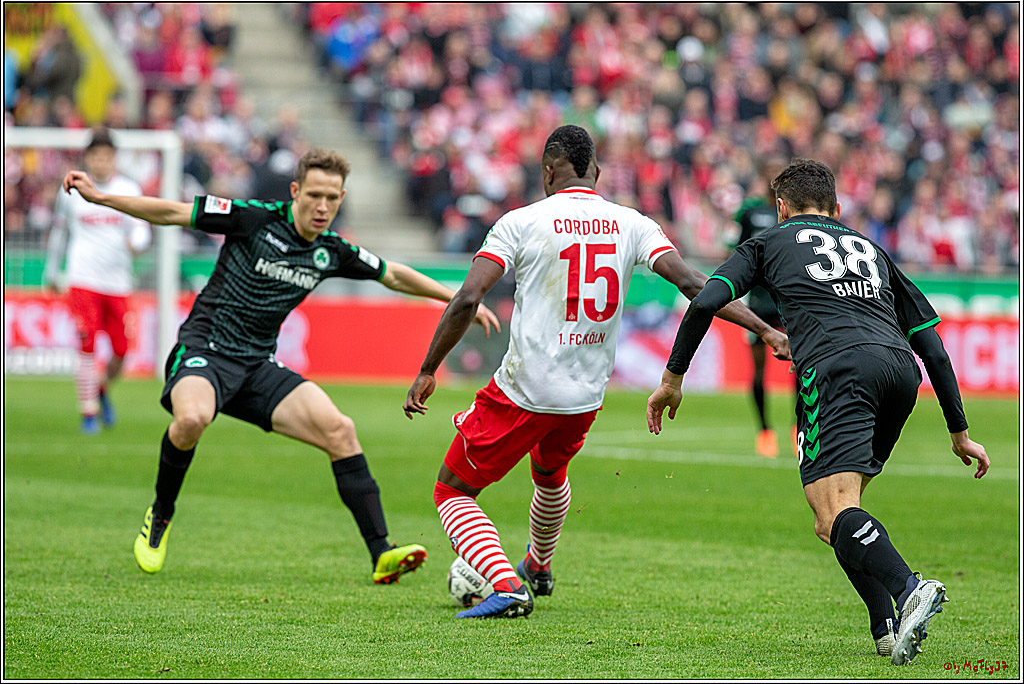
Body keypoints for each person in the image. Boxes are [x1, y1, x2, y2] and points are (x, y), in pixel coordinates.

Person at [61, 148, 501, 584]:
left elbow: (394, 274)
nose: (322, 206)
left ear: (341, 197)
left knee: (340, 430)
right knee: (192, 417)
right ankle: (160, 516)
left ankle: (381, 553)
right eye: (314, 195)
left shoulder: (331, 250)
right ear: (296, 191)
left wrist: (461, 299)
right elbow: (171, 212)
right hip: (204, 352)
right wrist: (102, 199)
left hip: (256, 366)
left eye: (332, 197)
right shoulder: (252, 218)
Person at [403, 125, 790, 619]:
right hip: (585, 396)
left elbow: (468, 297)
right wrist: (768, 331)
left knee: (452, 490)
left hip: (525, 390)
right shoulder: (632, 223)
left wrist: (429, 369)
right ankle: (538, 567)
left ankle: (505, 585)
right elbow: (697, 283)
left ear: (547, 171)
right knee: (549, 474)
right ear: (597, 174)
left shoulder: (520, 221)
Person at [647, 158, 989, 665]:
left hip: (837, 370)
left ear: (780, 207)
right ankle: (885, 628)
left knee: (834, 511)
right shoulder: (871, 249)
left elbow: (704, 301)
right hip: (899, 372)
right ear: (837, 208)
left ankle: (910, 588)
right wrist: (960, 433)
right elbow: (933, 348)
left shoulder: (770, 240)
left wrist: (672, 378)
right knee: (834, 518)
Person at [45, 128, 152, 434]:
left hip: (118, 282)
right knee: (87, 343)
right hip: (82, 278)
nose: (102, 162)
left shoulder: (127, 189)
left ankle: (101, 389)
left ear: (114, 159)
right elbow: (59, 233)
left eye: (107, 156)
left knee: (121, 351)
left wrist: (138, 242)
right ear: (89, 158)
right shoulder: (73, 189)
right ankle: (88, 413)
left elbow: (142, 227)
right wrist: (53, 272)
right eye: (97, 156)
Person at [731, 154, 793, 457]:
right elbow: (738, 253)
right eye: (768, 170)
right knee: (758, 369)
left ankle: (800, 427)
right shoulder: (751, 212)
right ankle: (765, 430)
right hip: (758, 301)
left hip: (789, 300)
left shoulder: (795, 214)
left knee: (801, 364)